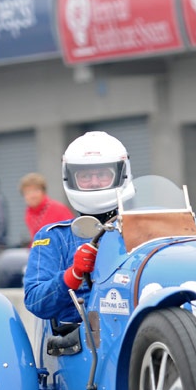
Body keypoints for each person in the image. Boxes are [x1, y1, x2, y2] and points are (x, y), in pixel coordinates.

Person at [24, 131, 130, 323]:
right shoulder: (55, 237)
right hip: (79, 340)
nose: (95, 182)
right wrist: (72, 275)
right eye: (85, 176)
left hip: (139, 329)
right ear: (71, 178)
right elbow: (35, 301)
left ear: (121, 175)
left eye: (104, 175)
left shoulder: (140, 228)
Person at [20, 172, 74, 244]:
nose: (32, 196)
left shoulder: (59, 209)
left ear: (43, 192)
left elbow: (71, 237)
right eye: (28, 192)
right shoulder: (28, 214)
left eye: (36, 190)